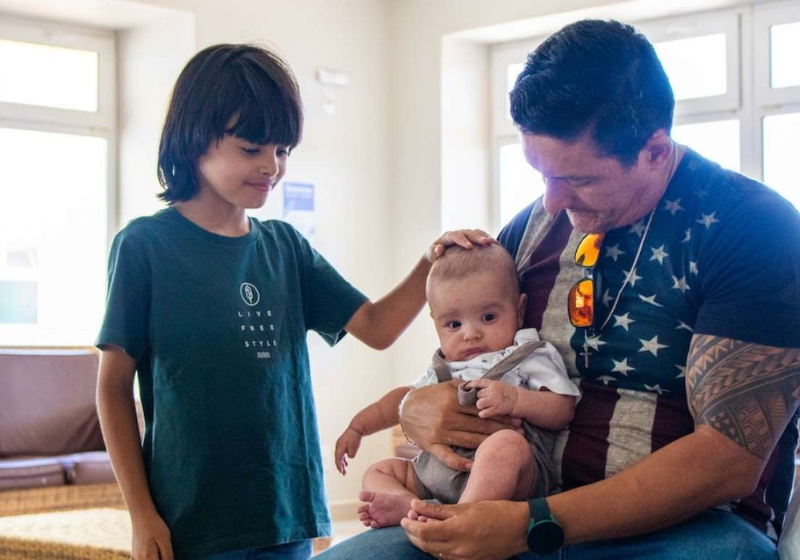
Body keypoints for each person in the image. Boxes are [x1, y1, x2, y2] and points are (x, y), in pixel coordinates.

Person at [316, 19, 800, 560]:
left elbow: (728, 460)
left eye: (580, 180)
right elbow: (476, 353)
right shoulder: (532, 229)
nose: (551, 202)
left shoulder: (754, 228)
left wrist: (532, 523)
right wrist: (415, 411)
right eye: (541, 174)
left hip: (687, 528)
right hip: (513, 502)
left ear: (656, 151)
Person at [95, 44, 493, 560]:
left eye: (283, 150)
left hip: (287, 514)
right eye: (251, 148)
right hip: (191, 521)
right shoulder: (144, 246)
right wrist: (142, 515)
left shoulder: (285, 246)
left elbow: (377, 326)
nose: (272, 166)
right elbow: (112, 392)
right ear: (194, 139)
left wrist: (430, 262)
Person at [334, 245, 579, 528]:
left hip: (509, 475)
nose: (470, 334)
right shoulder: (442, 367)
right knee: (379, 471)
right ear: (436, 324)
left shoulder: (528, 354)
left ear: (519, 310)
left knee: (506, 446)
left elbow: (563, 408)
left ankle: (463, 521)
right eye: (453, 324)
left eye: (488, 317)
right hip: (434, 472)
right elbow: (403, 400)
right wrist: (358, 427)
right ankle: (411, 506)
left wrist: (515, 399)